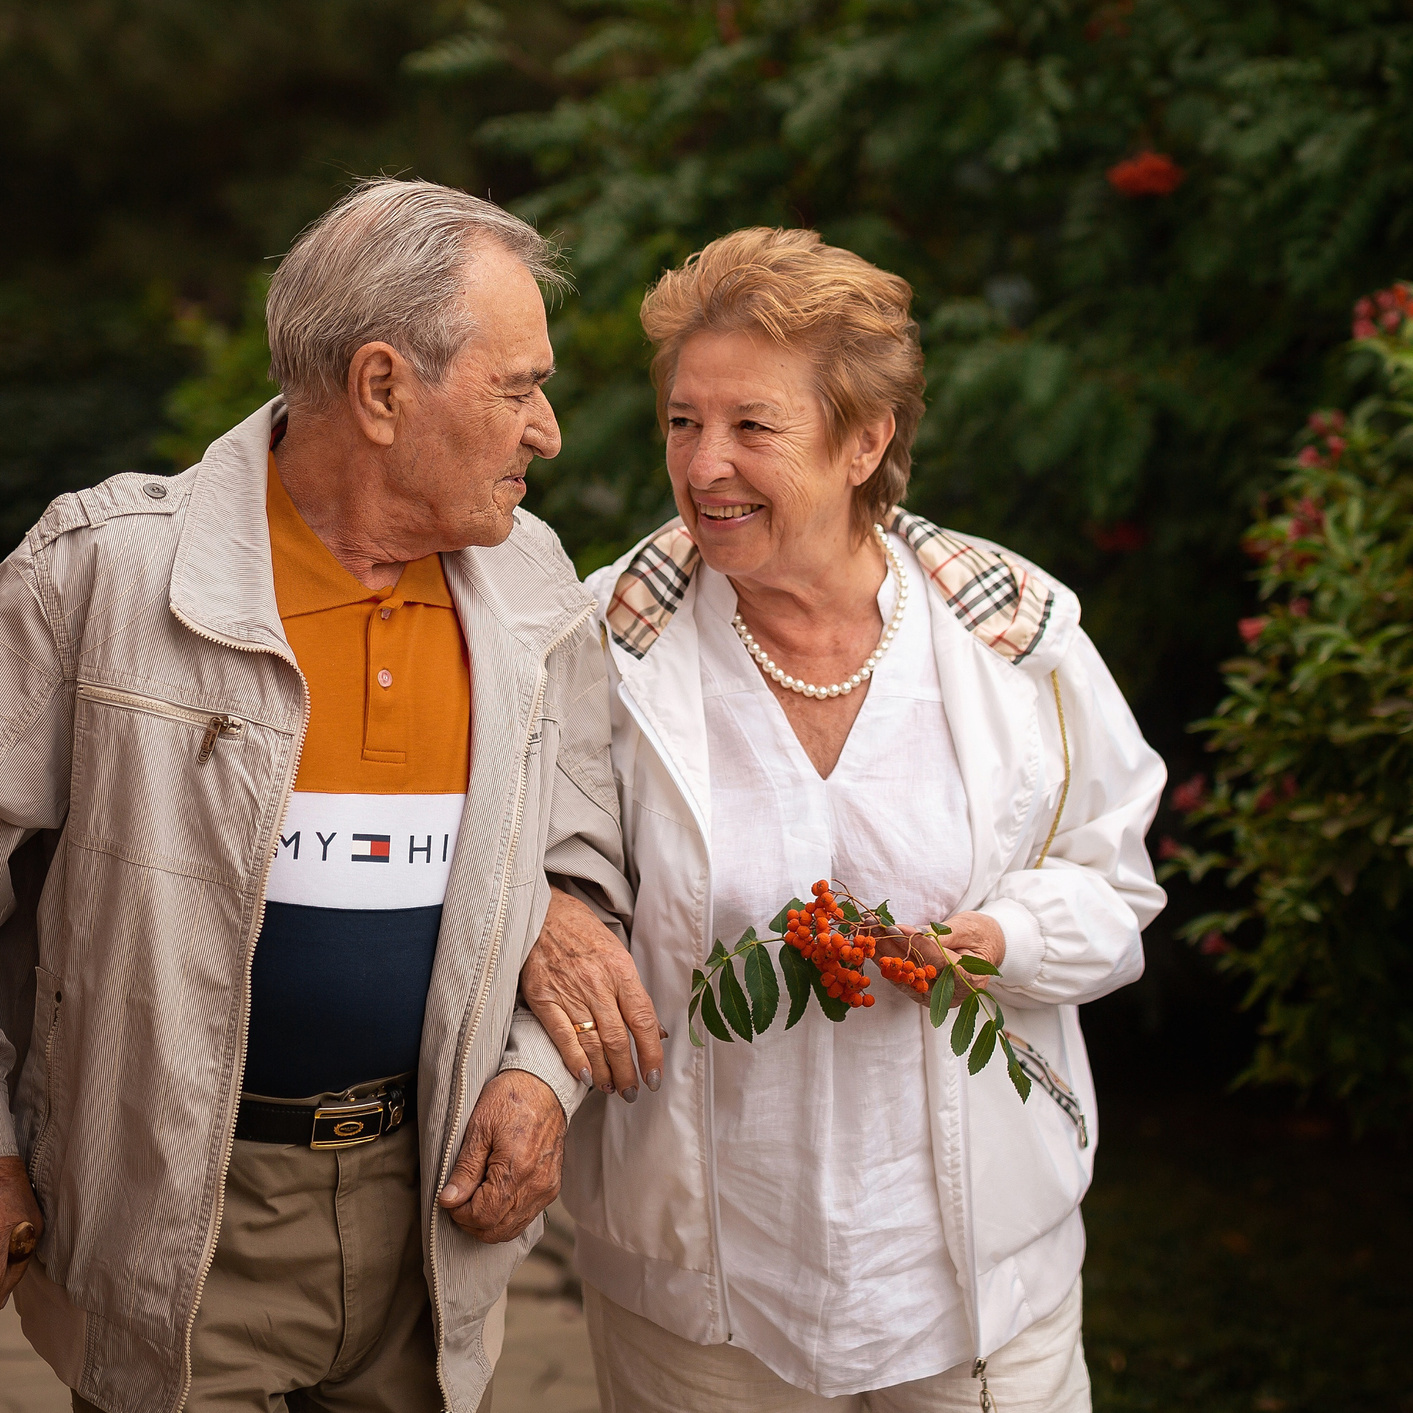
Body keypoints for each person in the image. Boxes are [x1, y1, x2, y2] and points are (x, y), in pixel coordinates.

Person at [0, 178, 662, 1413]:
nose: (549, 431)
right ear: (381, 388)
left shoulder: (530, 580)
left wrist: (538, 1075)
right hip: (176, 1225)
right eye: (518, 388)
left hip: (432, 1215)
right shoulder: (100, 575)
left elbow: (583, 861)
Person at [563, 227, 1168, 1412]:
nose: (704, 465)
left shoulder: (1014, 636)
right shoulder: (603, 648)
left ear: (865, 440)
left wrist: (1001, 939)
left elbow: (1117, 879)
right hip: (701, 1299)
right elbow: (534, 879)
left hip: (973, 1290)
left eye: (752, 425)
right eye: (683, 421)